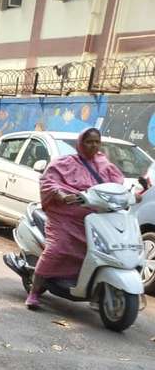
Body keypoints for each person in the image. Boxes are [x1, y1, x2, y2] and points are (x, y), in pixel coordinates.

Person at [25, 127, 124, 309]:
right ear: (80, 143)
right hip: (64, 218)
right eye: (89, 141)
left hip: (96, 219)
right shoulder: (65, 163)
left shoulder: (104, 163)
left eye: (96, 141)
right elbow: (48, 181)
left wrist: (132, 194)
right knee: (57, 248)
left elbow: (117, 185)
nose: (93, 145)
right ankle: (34, 291)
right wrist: (61, 195)